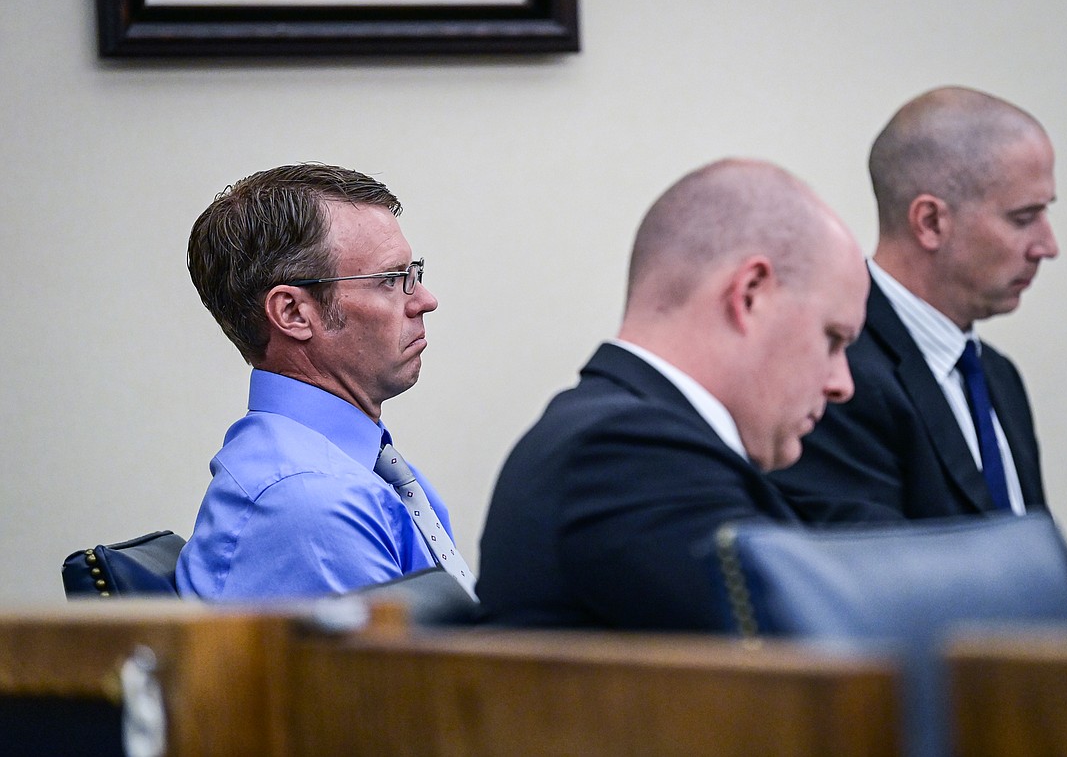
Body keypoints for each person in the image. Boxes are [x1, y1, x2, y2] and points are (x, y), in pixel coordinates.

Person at [768, 86, 1067, 640]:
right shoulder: (836, 374)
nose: (1048, 245)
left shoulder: (997, 376)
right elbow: (871, 581)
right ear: (931, 221)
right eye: (1024, 217)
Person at [476, 158, 869, 629]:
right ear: (750, 295)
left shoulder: (628, 440)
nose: (841, 383)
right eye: (833, 338)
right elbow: (814, 648)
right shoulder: (624, 454)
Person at [177, 162, 468, 601]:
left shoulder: (355, 467)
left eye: (415, 273)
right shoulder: (309, 501)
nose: (425, 300)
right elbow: (417, 672)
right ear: (293, 313)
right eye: (391, 280)